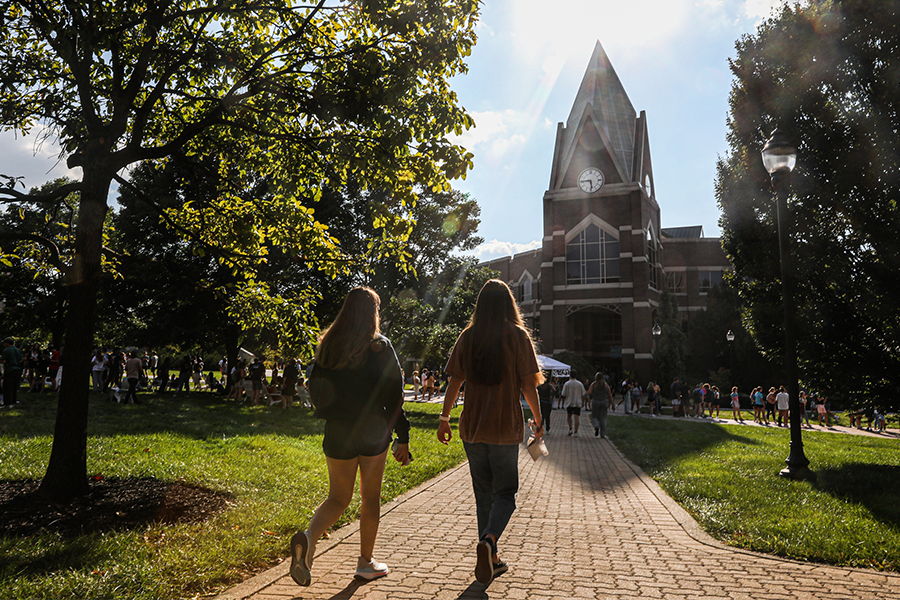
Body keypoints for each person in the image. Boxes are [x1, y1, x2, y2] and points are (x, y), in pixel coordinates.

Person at [290, 287, 411, 587]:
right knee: (369, 498)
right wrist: (403, 435)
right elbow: (394, 394)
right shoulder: (380, 345)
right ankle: (365, 563)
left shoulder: (328, 344)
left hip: (338, 431)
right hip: (373, 431)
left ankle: (309, 538)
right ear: (373, 313)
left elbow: (315, 389)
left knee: (337, 497)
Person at [437, 279, 543, 585]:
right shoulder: (518, 336)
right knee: (506, 494)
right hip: (505, 428)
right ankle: (489, 541)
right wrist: (538, 421)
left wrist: (445, 418)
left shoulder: (468, 336)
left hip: (472, 428)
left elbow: (454, 381)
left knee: (483, 496)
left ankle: (491, 558)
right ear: (509, 304)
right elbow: (528, 384)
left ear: (480, 305)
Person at [561, 370, 586, 437]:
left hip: (569, 402)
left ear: (570, 375)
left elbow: (563, 394)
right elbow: (583, 394)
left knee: (569, 416)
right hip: (577, 402)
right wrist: (583, 402)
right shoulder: (579, 384)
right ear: (576, 375)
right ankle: (576, 431)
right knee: (576, 417)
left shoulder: (567, 384)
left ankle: (570, 428)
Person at [589, 372, 614, 437]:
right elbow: (610, 395)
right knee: (603, 419)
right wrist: (613, 405)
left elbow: (589, 392)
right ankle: (602, 434)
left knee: (594, 416)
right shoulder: (606, 385)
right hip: (604, 402)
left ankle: (596, 426)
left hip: (595, 402)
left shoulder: (593, 384)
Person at [1, 338, 24, 406]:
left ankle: (7, 402)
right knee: (15, 385)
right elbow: (21, 360)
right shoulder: (18, 350)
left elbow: (3, 361)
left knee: (8, 386)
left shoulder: (6, 350)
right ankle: (14, 400)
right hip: (17, 369)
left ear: (7, 343)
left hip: (9, 370)